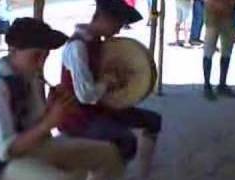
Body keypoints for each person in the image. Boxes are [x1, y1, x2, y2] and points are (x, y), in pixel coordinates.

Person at [0, 17, 124, 180]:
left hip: (30, 148)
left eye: (45, 56)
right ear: (13, 50)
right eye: (36, 56)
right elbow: (7, 150)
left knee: (108, 154)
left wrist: (51, 107)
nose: (41, 64)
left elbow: (33, 125)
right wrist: (49, 122)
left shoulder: (30, 77)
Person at [60, 0, 162, 179]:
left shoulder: (98, 42)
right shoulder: (77, 47)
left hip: (100, 107)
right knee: (125, 140)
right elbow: (85, 95)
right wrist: (107, 83)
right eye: (118, 24)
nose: (119, 30)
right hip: (77, 116)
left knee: (153, 121)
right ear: (105, 19)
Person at [202, 0, 235, 100]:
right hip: (213, 16)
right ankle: (207, 85)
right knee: (209, 50)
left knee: (226, 51)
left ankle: (222, 84)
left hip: (229, 17)